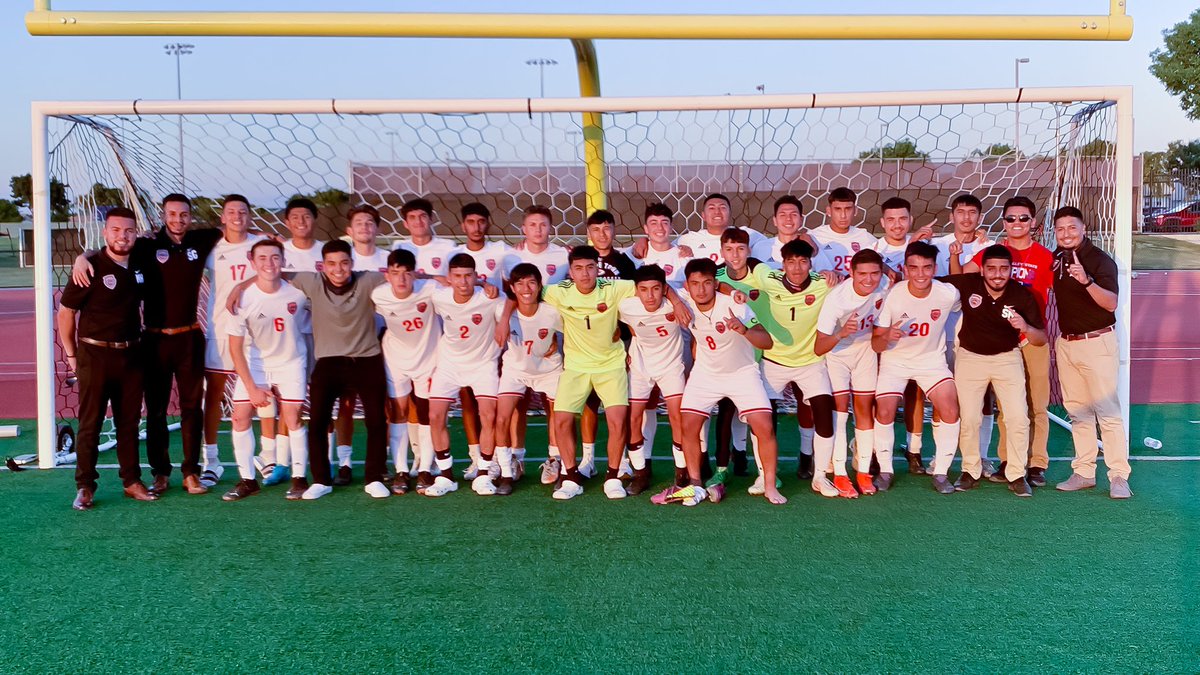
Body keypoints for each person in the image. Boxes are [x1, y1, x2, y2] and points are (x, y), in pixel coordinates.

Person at [70, 194, 223, 496]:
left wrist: (264, 235)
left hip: (189, 337)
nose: (178, 219)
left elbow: (230, 230)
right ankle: (161, 472)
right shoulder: (145, 245)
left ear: (190, 217)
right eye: (172, 214)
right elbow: (107, 251)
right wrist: (82, 256)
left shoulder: (202, 240)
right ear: (163, 215)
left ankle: (191, 471)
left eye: (184, 214)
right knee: (156, 411)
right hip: (153, 340)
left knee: (193, 407)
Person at [526, 245, 688, 501]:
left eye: (590, 268)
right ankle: (571, 476)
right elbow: (526, 293)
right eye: (578, 269)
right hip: (576, 367)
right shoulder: (557, 292)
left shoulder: (614, 288)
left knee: (617, 419)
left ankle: (613, 476)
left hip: (611, 365)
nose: (585, 274)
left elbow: (651, 283)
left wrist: (676, 300)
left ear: (597, 269)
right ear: (571, 271)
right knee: (562, 419)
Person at [235, 239, 389, 500]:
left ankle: (373, 478)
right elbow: (272, 273)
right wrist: (238, 287)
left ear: (352, 263)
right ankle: (321, 480)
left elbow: (409, 277)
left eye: (343, 263)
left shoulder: (370, 280)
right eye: (331, 264)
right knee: (317, 421)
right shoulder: (310, 281)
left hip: (367, 358)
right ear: (322, 266)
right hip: (328, 360)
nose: (338, 269)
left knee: (376, 420)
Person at [658, 258, 785, 506]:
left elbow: (766, 341)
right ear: (687, 285)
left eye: (707, 283)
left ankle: (770, 485)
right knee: (689, 425)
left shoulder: (734, 306)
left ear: (716, 284)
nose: (701, 289)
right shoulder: (683, 299)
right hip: (706, 374)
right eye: (695, 284)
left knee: (764, 426)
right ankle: (695, 484)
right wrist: (674, 300)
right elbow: (660, 285)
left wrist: (745, 331)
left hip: (742, 373)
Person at [58, 207, 155, 509]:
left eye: (128, 230)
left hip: (131, 355)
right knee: (90, 424)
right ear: (105, 232)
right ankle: (85, 486)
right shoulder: (88, 267)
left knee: (129, 423)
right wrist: (71, 354)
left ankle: (131, 481)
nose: (122, 236)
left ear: (135, 233)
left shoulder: (140, 260)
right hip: (94, 354)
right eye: (116, 230)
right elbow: (66, 314)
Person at [959, 195, 1056, 487]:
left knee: (1036, 404)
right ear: (1004, 222)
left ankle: (1037, 462)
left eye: (1023, 218)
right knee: (1009, 405)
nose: (1017, 223)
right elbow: (965, 276)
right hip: (1001, 341)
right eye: (1011, 218)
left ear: (1033, 222)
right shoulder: (993, 253)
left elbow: (1057, 292)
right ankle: (1007, 460)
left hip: (1030, 335)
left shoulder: (1045, 256)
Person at [940, 245, 1045, 497]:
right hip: (970, 358)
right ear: (982, 270)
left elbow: (1041, 338)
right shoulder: (969, 284)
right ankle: (970, 470)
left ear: (1011, 270)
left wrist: (1026, 327)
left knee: (1018, 417)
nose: (997, 274)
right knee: (970, 419)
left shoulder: (1022, 295)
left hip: (1007, 358)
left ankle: (1017, 474)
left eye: (1003, 269)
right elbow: (929, 283)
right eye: (991, 268)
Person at [751, 240, 844, 498]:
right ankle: (764, 475)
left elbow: (849, 286)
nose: (797, 267)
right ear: (782, 265)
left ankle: (820, 477)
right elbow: (741, 267)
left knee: (825, 415)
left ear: (810, 264)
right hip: (773, 362)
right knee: (763, 421)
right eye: (791, 262)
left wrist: (839, 274)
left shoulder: (823, 283)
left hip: (810, 363)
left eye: (803, 262)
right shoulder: (768, 278)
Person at [1049, 206, 1132, 499]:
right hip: (1067, 344)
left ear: (1083, 228)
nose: (1066, 233)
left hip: (1097, 343)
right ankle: (1084, 472)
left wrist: (1086, 280)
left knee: (1107, 412)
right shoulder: (1057, 258)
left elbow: (1110, 303)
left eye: (1072, 227)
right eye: (1061, 229)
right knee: (1077, 411)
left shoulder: (1099, 260)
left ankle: (1119, 476)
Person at [224, 240, 312, 501]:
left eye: (275, 257)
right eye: (262, 258)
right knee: (239, 417)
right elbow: (236, 348)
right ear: (252, 262)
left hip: (291, 362)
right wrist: (251, 387)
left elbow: (309, 329)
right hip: (256, 364)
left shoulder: (298, 293)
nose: (269, 263)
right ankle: (248, 480)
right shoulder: (241, 298)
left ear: (283, 261)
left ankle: (299, 478)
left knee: (293, 417)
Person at [871, 241, 962, 494]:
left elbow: (960, 309)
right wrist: (888, 334)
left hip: (931, 362)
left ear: (934, 268)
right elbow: (876, 344)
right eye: (914, 268)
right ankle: (886, 470)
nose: (920, 274)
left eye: (926, 268)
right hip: (895, 362)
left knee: (950, 408)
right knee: (886, 411)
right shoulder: (894, 295)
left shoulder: (948, 294)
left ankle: (942, 472)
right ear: (905, 269)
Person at [426, 254, 505, 497]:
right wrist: (432, 276)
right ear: (449, 278)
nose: (463, 282)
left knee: (488, 415)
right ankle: (446, 475)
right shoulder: (439, 296)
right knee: (435, 416)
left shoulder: (490, 297)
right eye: (457, 276)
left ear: (476, 276)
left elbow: (511, 302)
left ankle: (483, 474)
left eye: (469, 276)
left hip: (483, 364)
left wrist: (486, 287)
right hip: (449, 364)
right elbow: (416, 281)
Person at [201, 195, 266, 489]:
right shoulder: (212, 248)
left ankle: (268, 456)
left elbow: (276, 272)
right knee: (213, 394)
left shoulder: (262, 244)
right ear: (223, 217)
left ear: (249, 215)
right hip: (220, 329)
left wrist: (242, 285)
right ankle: (211, 460)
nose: (237, 215)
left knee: (263, 393)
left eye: (242, 211)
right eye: (231, 212)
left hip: (256, 333)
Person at [814, 248, 889, 496]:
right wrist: (842, 333)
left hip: (865, 350)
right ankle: (840, 472)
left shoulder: (885, 284)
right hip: (837, 354)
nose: (869, 279)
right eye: (862, 274)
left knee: (865, 409)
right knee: (840, 411)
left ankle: (863, 471)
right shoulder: (837, 300)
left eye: (874, 273)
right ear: (851, 273)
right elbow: (819, 346)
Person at [510, 205, 571, 483]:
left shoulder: (563, 256)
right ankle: (516, 457)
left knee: (553, 403)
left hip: (552, 339)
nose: (538, 230)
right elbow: (508, 296)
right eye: (532, 225)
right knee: (516, 402)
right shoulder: (512, 256)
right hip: (520, 339)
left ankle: (554, 457)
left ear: (550, 228)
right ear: (524, 229)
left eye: (543, 225)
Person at [371, 248, 440, 495]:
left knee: (426, 414)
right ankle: (400, 470)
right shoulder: (378, 294)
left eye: (407, 273)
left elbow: (450, 282)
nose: (401, 279)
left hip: (428, 361)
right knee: (398, 413)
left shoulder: (430, 289)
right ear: (387, 275)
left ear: (415, 275)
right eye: (395, 273)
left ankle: (425, 469)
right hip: (395, 361)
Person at [617, 264, 686, 496]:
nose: (650, 295)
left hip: (671, 366)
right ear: (636, 290)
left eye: (656, 289)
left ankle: (682, 472)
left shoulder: (678, 301)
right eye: (644, 289)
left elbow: (712, 287)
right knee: (634, 418)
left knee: (677, 416)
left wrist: (675, 300)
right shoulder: (626, 305)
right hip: (640, 367)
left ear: (664, 289)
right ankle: (641, 473)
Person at [495, 263, 563, 495]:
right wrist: (504, 318)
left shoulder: (552, 311)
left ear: (540, 286)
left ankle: (555, 459)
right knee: (503, 415)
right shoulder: (503, 311)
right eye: (520, 284)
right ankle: (509, 467)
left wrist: (557, 344)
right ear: (512, 288)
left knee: (557, 413)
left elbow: (574, 331)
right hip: (516, 370)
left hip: (548, 369)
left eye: (531, 282)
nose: (526, 288)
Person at [805, 187, 879, 276]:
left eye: (848, 209)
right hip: (824, 289)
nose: (843, 215)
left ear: (855, 211)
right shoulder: (813, 237)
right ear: (829, 211)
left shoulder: (866, 238)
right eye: (838, 209)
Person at [676, 193, 770, 263]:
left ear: (730, 213)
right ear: (703, 215)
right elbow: (665, 249)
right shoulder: (689, 239)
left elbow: (772, 246)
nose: (717, 212)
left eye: (722, 208)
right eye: (712, 208)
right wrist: (681, 249)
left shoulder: (747, 234)